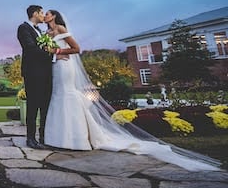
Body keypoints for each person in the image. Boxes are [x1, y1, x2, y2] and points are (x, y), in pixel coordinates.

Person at [42, 9, 222, 171]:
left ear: (55, 16)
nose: (46, 16)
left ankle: (76, 138)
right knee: (58, 95)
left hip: (66, 67)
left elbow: (76, 48)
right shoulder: (47, 32)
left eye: (48, 13)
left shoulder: (60, 29)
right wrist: (50, 52)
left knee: (68, 94)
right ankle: (58, 137)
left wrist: (57, 52)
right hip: (55, 67)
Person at [17, 5, 62, 149]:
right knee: (33, 106)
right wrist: (53, 53)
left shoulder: (41, 31)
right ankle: (30, 138)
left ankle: (44, 136)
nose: (43, 15)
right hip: (33, 73)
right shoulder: (23, 28)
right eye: (41, 12)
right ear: (35, 13)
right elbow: (30, 49)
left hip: (46, 73)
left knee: (45, 106)